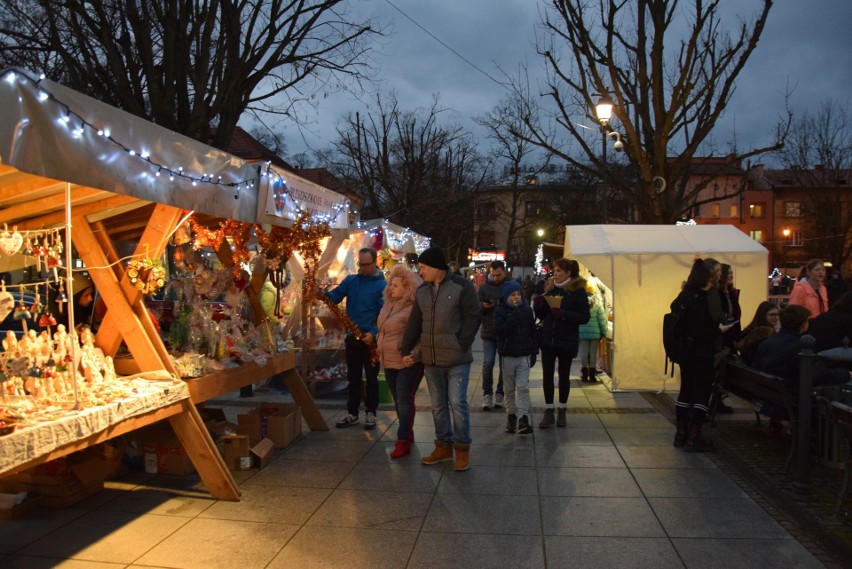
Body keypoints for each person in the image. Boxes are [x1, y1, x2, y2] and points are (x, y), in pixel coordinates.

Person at [400, 246, 481, 472]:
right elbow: (416, 321)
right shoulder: (422, 291)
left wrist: (461, 343)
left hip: (457, 359)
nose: (419, 271)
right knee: (437, 406)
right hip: (431, 359)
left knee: (457, 403)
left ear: (436, 267)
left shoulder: (462, 287)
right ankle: (443, 446)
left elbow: (473, 317)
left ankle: (462, 449)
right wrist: (406, 348)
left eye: (423, 267)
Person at [672, 259, 730, 452]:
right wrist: (720, 331)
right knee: (702, 392)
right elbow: (701, 331)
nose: (716, 279)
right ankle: (695, 434)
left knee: (686, 390)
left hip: (685, 351)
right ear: (706, 278)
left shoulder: (685, 295)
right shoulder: (701, 299)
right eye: (714, 276)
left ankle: (680, 432)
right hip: (700, 352)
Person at [326, 247, 387, 430]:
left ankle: (371, 412)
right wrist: (322, 295)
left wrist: (374, 333)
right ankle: (352, 412)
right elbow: (335, 297)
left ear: (375, 262)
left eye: (366, 265)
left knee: (372, 378)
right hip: (353, 336)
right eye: (360, 264)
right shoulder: (351, 281)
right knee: (353, 377)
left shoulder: (382, 286)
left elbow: (384, 313)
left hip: (370, 339)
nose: (362, 268)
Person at [532, 258, 590, 428]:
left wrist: (564, 314)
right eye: (555, 270)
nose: (555, 274)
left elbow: (584, 316)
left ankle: (562, 410)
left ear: (568, 273)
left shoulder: (577, 291)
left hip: (567, 339)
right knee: (547, 375)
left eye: (558, 271)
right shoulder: (549, 289)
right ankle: (549, 410)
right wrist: (539, 306)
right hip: (548, 338)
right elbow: (543, 316)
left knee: (564, 375)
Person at [376, 264, 424, 458]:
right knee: (399, 400)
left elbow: (420, 334)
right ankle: (408, 433)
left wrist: (413, 354)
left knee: (404, 401)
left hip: (407, 361)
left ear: (407, 288)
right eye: (390, 284)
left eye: (395, 285)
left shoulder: (414, 307)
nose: (391, 288)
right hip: (388, 360)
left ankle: (402, 440)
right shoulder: (388, 304)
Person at [494, 280, 538, 435]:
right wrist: (514, 315)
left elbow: (533, 331)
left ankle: (523, 418)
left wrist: (534, 351)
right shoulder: (500, 311)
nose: (516, 297)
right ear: (506, 296)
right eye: (513, 295)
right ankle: (511, 415)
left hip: (524, 354)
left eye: (518, 294)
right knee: (509, 389)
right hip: (507, 356)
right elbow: (501, 331)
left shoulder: (526, 310)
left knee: (523, 388)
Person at [477, 260, 507, 410]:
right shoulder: (483, 288)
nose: (495, 278)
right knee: (488, 362)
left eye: (498, 275)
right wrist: (484, 306)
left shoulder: (510, 286)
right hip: (488, 331)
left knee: (504, 365)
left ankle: (500, 393)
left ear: (504, 272)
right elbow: (477, 308)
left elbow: (517, 304)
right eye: (493, 275)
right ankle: (487, 393)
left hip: (504, 331)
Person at [577, 282, 607, 383]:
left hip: (582, 332)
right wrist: (604, 332)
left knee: (584, 352)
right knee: (594, 353)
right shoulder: (597, 302)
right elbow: (602, 319)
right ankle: (593, 374)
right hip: (595, 333)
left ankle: (584, 373)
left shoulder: (580, 303)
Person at [735, 301, 780, 365]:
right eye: (772, 315)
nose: (776, 318)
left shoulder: (750, 330)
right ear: (763, 315)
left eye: (778, 314)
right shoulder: (760, 335)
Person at [718, 264, 742, 351]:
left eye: (732, 273)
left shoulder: (731, 292)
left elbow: (736, 313)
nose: (731, 276)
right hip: (723, 332)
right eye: (728, 273)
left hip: (733, 330)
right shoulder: (717, 293)